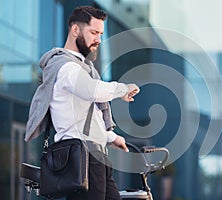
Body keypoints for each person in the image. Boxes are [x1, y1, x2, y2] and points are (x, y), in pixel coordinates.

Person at [24, 5, 140, 200]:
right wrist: (123, 89)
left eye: (101, 34)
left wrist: (111, 137)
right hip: (82, 156)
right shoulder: (65, 67)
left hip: (95, 155)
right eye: (94, 32)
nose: (98, 40)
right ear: (75, 30)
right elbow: (92, 91)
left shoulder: (83, 68)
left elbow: (86, 115)